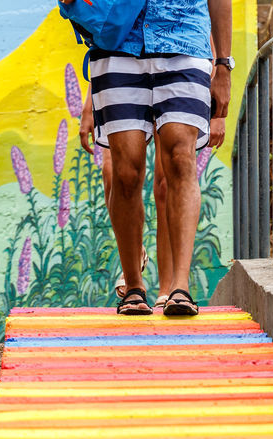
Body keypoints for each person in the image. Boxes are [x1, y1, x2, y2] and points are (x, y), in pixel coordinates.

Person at [64, 0, 233, 316]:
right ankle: (134, 287)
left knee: (180, 160)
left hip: (184, 40)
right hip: (117, 49)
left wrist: (223, 65)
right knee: (125, 173)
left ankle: (179, 288)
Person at [80, 77, 226, 310]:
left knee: (166, 182)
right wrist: (89, 102)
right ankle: (135, 252)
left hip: (176, 60)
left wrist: (218, 112)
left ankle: (168, 289)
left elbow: (212, 43)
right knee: (113, 171)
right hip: (124, 64)